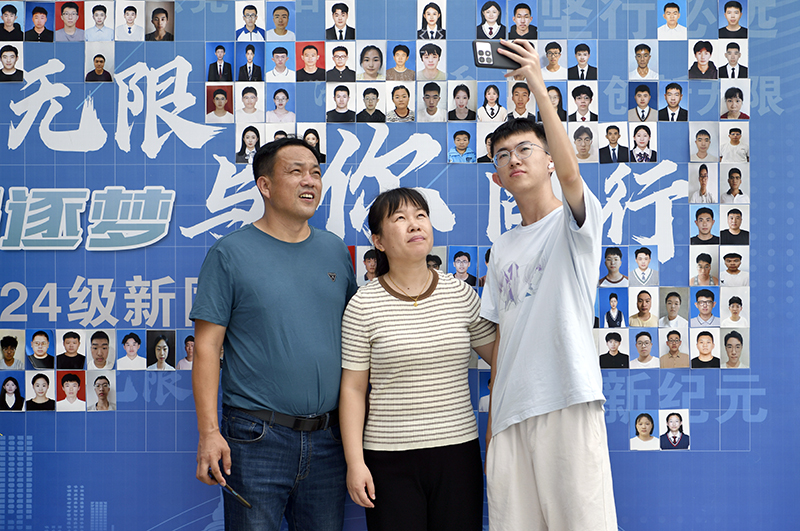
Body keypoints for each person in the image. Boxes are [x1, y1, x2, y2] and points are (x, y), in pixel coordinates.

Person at [480, 39, 616, 529]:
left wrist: (537, 84)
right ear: (497, 177)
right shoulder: (502, 248)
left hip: (567, 398)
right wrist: (493, 426)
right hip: (510, 416)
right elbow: (501, 341)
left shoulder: (575, 225)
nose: (514, 159)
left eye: (525, 149)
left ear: (550, 160)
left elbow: (574, 175)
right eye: (502, 155)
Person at [191, 137, 357, 529]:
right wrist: (209, 432)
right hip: (255, 438)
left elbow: (355, 336)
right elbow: (207, 347)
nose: (310, 181)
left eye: (315, 172)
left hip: (330, 440)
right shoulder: (229, 253)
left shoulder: (335, 251)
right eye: (296, 171)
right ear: (264, 185)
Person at [339, 188, 496, 531]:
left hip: (457, 451)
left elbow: (501, 359)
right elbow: (352, 390)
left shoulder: (460, 294)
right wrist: (355, 462)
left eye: (420, 216)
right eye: (400, 218)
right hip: (387, 458)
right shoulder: (363, 305)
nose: (414, 225)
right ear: (378, 241)